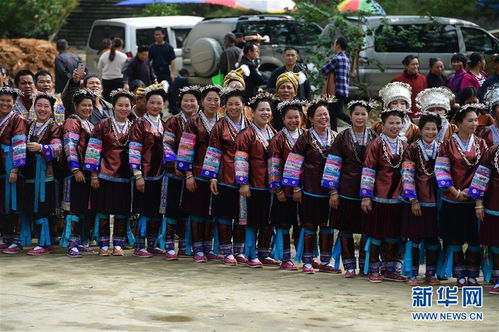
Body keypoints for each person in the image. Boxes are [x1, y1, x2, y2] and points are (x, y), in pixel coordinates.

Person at [435, 104, 488, 287]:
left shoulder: (481, 143)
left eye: (476, 120)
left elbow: (484, 171)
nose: (474, 123)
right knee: (455, 237)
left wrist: (474, 193)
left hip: (474, 199)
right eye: (470, 120)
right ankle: (459, 274)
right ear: (458, 123)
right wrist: (455, 192)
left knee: (474, 238)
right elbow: (441, 170)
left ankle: (472, 273)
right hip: (453, 198)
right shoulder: (447, 145)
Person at [284, 97, 337, 274]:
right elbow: (293, 163)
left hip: (329, 191)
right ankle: (307, 260)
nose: (323, 118)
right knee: (309, 225)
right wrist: (296, 188)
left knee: (327, 225)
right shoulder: (305, 138)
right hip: (310, 189)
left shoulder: (336, 137)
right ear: (312, 119)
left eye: (326, 114)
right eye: (319, 115)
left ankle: (326, 260)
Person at [325, 99, 378, 278]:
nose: (360, 117)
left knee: (366, 229)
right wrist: (333, 191)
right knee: (345, 229)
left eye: (363, 114)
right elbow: (333, 164)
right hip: (346, 189)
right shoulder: (342, 137)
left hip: (367, 191)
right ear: (350, 116)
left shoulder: (374, 137)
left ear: (368, 116)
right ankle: (348, 266)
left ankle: (365, 265)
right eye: (356, 114)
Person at [202, 88, 251, 264]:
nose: (234, 107)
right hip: (225, 174)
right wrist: (212, 177)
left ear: (243, 105)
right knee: (225, 214)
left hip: (245, 176)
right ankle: (226, 250)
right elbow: (213, 151)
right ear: (225, 107)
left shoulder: (250, 124)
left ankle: (239, 250)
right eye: (230, 104)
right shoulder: (219, 126)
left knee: (241, 214)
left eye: (237, 104)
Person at [84, 89, 134, 256]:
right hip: (104, 174)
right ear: (114, 106)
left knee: (121, 211)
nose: (124, 108)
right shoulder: (103, 125)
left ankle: (118, 244)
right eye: (120, 105)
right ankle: (104, 244)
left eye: (127, 105)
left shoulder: (133, 127)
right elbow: (93, 150)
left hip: (125, 175)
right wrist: (93, 174)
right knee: (103, 210)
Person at [361, 108, 408, 283]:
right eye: (391, 123)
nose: (395, 126)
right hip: (378, 196)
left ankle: (390, 269)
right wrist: (366, 196)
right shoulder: (375, 145)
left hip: (398, 197)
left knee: (393, 234)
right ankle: (374, 268)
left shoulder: (404, 145)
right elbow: (368, 170)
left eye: (398, 123)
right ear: (383, 125)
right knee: (377, 234)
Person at [176, 86, 221, 262]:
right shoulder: (193, 122)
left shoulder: (222, 121)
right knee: (197, 211)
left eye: (216, 100)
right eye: (209, 99)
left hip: (216, 174)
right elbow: (185, 150)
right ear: (202, 101)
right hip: (196, 172)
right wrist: (188, 174)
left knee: (210, 211)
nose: (212, 103)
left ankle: (208, 247)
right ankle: (197, 248)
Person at [236, 91, 278, 268]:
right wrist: (243, 183)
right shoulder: (246, 134)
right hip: (252, 184)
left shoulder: (274, 133)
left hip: (270, 185)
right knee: (251, 221)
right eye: (261, 110)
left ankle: (264, 252)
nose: (265, 113)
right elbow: (240, 159)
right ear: (252, 112)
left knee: (267, 220)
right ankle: (251, 253)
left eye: (268, 110)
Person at [400, 112, 442, 285]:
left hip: (436, 201)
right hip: (418, 199)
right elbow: (407, 174)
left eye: (434, 129)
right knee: (415, 237)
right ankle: (411, 273)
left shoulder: (443, 147)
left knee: (433, 238)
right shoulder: (412, 148)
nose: (430, 132)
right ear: (421, 130)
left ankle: (431, 273)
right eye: (427, 129)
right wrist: (413, 200)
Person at [129, 84, 168, 258]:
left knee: (156, 210)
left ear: (163, 105)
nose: (155, 106)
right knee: (144, 210)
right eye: (152, 102)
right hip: (144, 174)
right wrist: (137, 175)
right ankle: (139, 244)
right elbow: (134, 150)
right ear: (146, 103)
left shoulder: (164, 124)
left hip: (161, 174)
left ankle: (152, 243)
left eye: (158, 103)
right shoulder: (139, 124)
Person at [20, 92, 62, 255]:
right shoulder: (29, 125)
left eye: (46, 106)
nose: (42, 109)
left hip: (46, 175)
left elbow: (58, 148)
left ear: (51, 110)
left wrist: (42, 148)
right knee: (33, 206)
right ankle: (40, 240)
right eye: (39, 105)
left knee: (45, 208)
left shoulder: (54, 127)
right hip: (30, 173)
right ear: (33, 107)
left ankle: (46, 243)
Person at [163, 86, 201, 258]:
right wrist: (176, 163)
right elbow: (167, 145)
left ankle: (185, 245)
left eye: (192, 100)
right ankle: (169, 244)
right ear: (180, 102)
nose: (189, 103)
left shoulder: (202, 121)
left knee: (189, 208)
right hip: (175, 172)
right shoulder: (172, 121)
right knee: (172, 208)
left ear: (198, 103)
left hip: (196, 172)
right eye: (186, 100)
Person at [268, 100, 306, 270]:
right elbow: (274, 165)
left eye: (296, 117)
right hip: (285, 190)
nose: (293, 121)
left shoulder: (306, 135)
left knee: (302, 224)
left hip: (305, 190)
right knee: (283, 223)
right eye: (289, 118)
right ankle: (285, 258)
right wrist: (277, 190)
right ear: (283, 119)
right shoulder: (278, 139)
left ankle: (304, 257)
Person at [60, 89, 95, 257]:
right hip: (75, 172)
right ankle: (71, 243)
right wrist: (75, 169)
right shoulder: (72, 122)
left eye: (90, 105)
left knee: (82, 207)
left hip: (86, 172)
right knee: (73, 208)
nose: (87, 108)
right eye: (84, 105)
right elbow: (69, 146)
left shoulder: (89, 123)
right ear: (75, 106)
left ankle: (79, 241)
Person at [470, 143, 499, 294]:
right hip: (494, 204)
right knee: (495, 243)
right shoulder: (492, 151)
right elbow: (481, 177)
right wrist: (479, 203)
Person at [0, 87, 27, 253]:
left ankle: (17, 240)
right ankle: (7, 236)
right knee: (2, 201)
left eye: (8, 101)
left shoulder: (17, 120)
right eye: (2, 100)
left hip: (10, 161)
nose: (5, 103)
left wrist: (15, 169)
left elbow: (19, 143)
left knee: (14, 200)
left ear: (14, 103)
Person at [321, 37, 352, 131]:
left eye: (334, 44)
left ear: (338, 45)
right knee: (332, 113)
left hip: (336, 90)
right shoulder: (346, 58)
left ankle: (355, 123)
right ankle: (334, 133)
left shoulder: (337, 58)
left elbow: (324, 70)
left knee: (338, 112)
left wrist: (327, 61)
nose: (333, 46)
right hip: (343, 89)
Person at [97, 38, 127, 102]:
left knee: (107, 101)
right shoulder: (123, 56)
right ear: (121, 46)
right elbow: (125, 70)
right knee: (117, 100)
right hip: (119, 81)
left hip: (106, 81)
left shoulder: (104, 55)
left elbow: (99, 68)